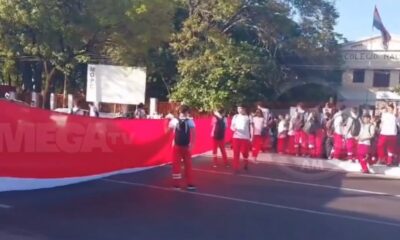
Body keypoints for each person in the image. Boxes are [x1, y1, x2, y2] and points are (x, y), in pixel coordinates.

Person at [167, 105, 196, 191]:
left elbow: (166, 131)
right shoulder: (190, 121)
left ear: (179, 111)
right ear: (187, 112)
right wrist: (192, 146)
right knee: (188, 166)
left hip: (176, 146)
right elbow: (194, 135)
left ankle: (176, 185)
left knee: (176, 166)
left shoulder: (174, 121)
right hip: (187, 147)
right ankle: (190, 184)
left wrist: (166, 121)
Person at [231, 104, 252, 173]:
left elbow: (251, 127)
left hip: (245, 137)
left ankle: (246, 163)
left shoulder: (248, 117)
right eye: (238, 108)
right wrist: (234, 129)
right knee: (236, 153)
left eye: (240, 108)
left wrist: (251, 137)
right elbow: (232, 126)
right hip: (236, 137)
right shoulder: (235, 116)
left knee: (244, 153)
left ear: (244, 109)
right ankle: (235, 168)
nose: (239, 110)